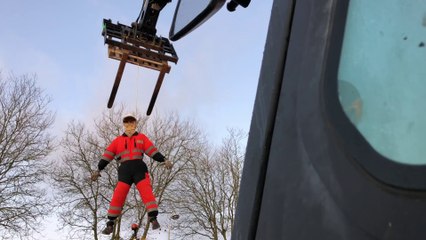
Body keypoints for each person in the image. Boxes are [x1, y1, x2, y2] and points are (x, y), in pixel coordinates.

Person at [91, 113, 173, 235]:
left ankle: (153, 218)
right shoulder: (117, 141)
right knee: (118, 194)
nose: (129, 126)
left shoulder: (141, 137)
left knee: (146, 191)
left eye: (132, 123)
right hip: (124, 170)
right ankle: (110, 223)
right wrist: (98, 169)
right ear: (124, 125)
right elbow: (107, 155)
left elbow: (151, 150)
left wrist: (164, 159)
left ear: (135, 124)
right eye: (127, 123)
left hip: (139, 168)